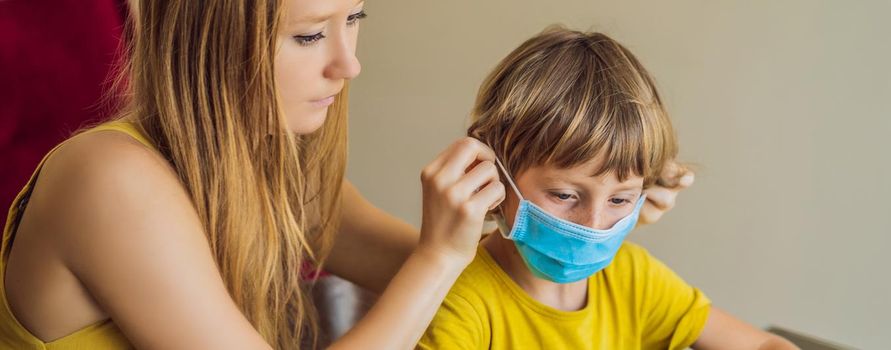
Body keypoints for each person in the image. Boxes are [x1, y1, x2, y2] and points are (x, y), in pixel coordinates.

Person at [0, 1, 691, 349]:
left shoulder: (271, 173)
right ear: (208, 38)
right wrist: (439, 253)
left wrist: (568, 217)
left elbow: (476, 285)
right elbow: (433, 273)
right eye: (308, 35)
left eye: (354, 20)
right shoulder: (111, 181)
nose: (348, 64)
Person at [417, 27, 797, 350]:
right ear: (492, 173)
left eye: (620, 199)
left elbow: (764, 344)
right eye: (564, 195)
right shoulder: (459, 303)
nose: (594, 223)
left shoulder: (632, 277)